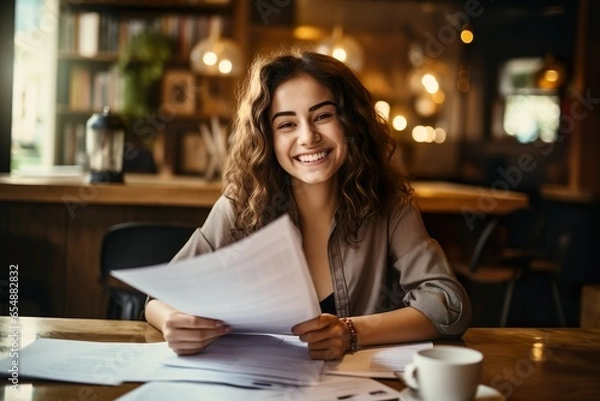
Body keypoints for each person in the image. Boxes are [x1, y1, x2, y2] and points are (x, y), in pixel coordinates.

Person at [145, 49, 472, 360]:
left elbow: (449, 306)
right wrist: (172, 321)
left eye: (323, 116)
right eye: (287, 124)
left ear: (350, 123)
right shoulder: (240, 205)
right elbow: (158, 298)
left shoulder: (390, 206)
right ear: (268, 138)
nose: (308, 136)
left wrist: (351, 331)